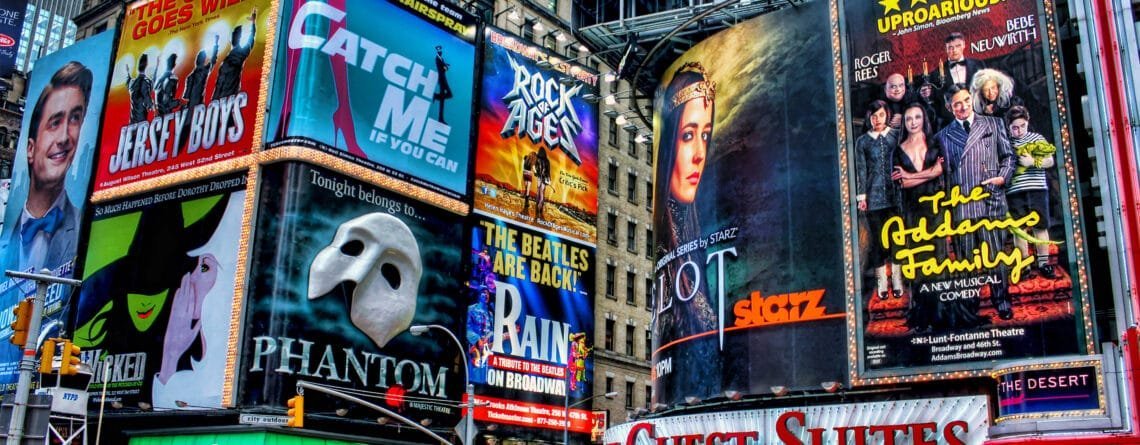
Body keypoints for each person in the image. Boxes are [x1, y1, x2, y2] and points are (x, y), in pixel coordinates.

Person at [651, 61, 719, 401]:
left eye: (705, 135)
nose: (699, 154)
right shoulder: (665, 247)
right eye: (688, 136)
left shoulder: (694, 234)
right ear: (667, 145)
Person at [934, 83, 1016, 321]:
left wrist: (1002, 177)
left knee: (995, 256)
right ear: (949, 107)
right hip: (962, 203)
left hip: (990, 198)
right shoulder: (942, 136)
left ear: (972, 99)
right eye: (957, 104)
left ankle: (1001, 301)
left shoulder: (993, 123)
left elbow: (1009, 157)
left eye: (966, 100)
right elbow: (942, 174)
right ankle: (969, 306)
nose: (963, 107)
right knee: (966, 260)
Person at [5, 62, 92, 276]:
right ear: (30, 148)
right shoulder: (5, 234)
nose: (64, 138)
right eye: (54, 123)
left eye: (75, 118)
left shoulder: (85, 228)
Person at [855, 100, 903, 300]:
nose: (877, 120)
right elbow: (861, 170)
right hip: (873, 198)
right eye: (873, 116)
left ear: (887, 115)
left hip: (896, 196)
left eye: (881, 115)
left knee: (897, 239)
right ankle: (882, 280)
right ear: (869, 118)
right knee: (877, 241)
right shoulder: (862, 142)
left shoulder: (896, 136)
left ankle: (898, 279)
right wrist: (862, 197)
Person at [1005, 105, 1059, 279]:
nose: (1019, 130)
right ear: (1009, 127)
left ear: (1027, 122)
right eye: (1015, 127)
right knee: (1019, 229)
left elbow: (1050, 161)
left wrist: (1033, 162)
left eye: (1022, 126)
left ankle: (1043, 263)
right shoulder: (1005, 142)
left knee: (1040, 226)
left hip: (1037, 189)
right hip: (1014, 191)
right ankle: (1024, 265)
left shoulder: (1036, 138)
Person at [212, 9, 256, 100]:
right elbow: (218, 84)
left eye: (236, 35)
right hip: (221, 96)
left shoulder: (242, 52)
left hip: (230, 93)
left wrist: (253, 23)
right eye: (234, 35)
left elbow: (251, 40)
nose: (233, 37)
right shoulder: (230, 57)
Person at [126, 55, 154, 124]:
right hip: (141, 123)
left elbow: (128, 80)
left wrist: (128, 72)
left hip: (132, 122)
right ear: (146, 66)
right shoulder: (145, 83)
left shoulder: (132, 82)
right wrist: (152, 106)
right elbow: (149, 103)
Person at [433, 45, 452, 124]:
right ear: (437, 51)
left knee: (445, 97)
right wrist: (445, 67)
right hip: (442, 79)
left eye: (440, 50)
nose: (440, 51)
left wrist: (446, 66)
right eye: (439, 50)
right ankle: (440, 118)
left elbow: (444, 67)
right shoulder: (437, 59)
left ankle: (437, 96)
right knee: (447, 95)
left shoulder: (441, 59)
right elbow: (442, 68)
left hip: (443, 78)